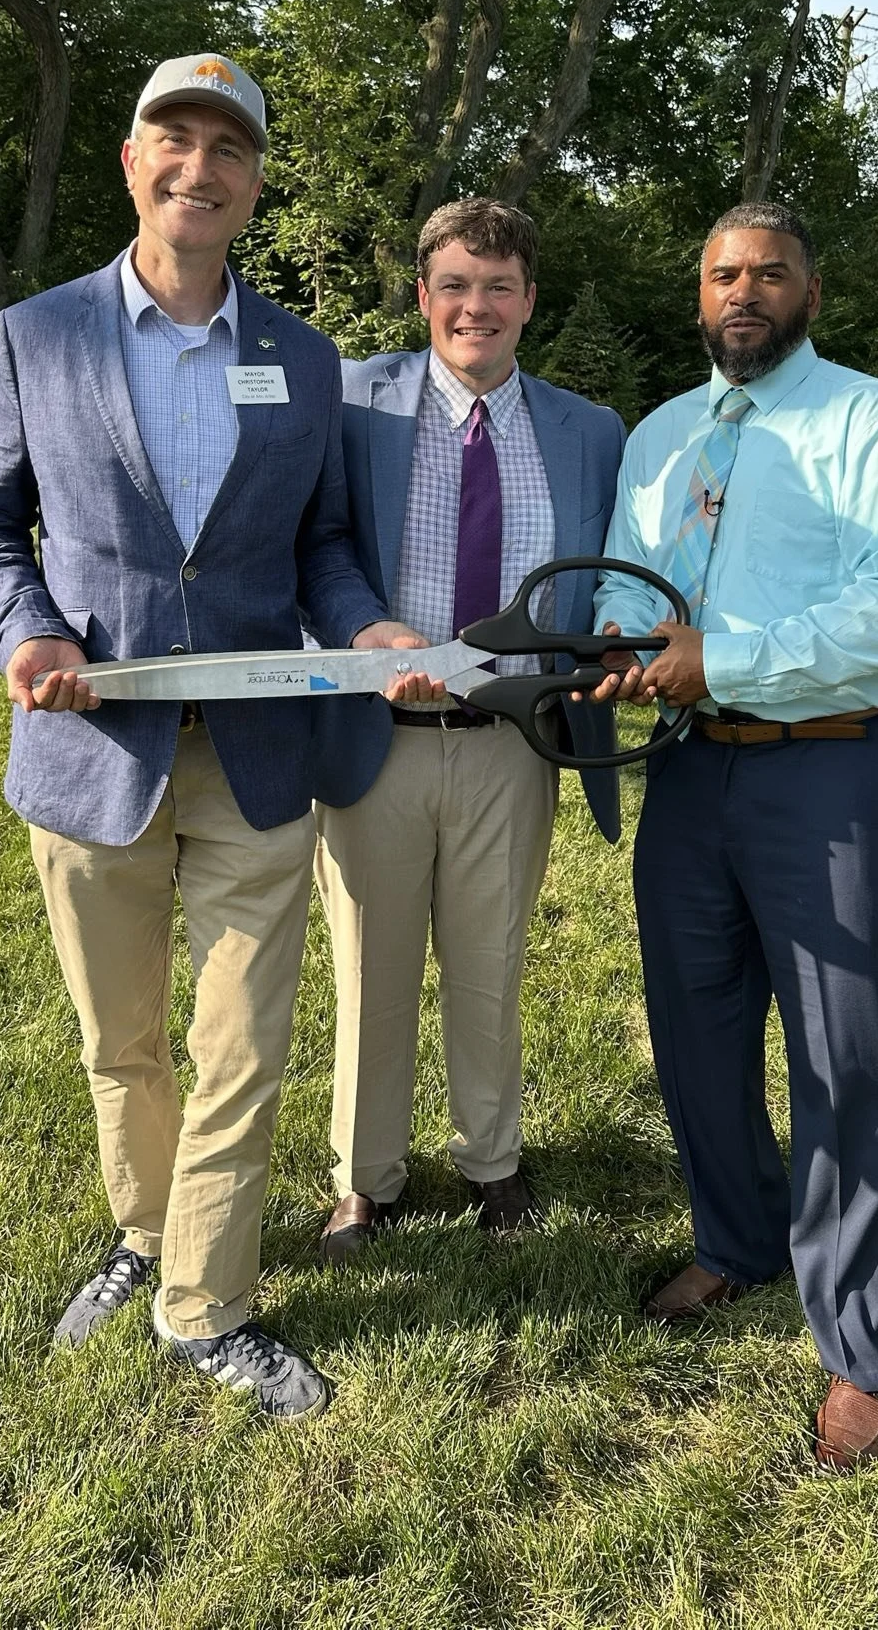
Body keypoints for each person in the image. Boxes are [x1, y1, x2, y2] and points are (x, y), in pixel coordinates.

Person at [0, 52, 437, 1417]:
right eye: (176, 138)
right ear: (131, 162)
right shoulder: (37, 338)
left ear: (255, 182)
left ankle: (205, 1306)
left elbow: (323, 546)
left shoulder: (302, 356)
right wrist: (27, 635)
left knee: (240, 1041)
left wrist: (368, 635)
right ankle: (146, 1232)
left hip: (254, 753)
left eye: (229, 146)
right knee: (124, 1043)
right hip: (91, 749)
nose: (200, 166)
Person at [590, 201, 878, 1468]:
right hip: (694, 777)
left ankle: (864, 1345)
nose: (742, 292)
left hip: (832, 769)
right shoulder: (661, 434)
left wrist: (727, 656)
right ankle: (738, 1239)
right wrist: (611, 647)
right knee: (695, 1023)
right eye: (721, 274)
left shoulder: (876, 424)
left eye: (769, 272)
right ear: (697, 295)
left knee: (847, 1056)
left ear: (811, 289)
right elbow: (623, 588)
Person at [311, 199, 626, 1260]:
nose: (475, 307)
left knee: (491, 962)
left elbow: (607, 583)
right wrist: (364, 624)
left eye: (498, 286)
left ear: (530, 299)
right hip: (379, 739)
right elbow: (320, 544)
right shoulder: (356, 402)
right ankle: (366, 1176)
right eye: (454, 284)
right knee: (372, 962)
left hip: (513, 745)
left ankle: (493, 1160)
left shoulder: (591, 431)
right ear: (423, 295)